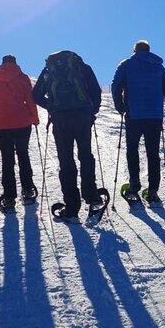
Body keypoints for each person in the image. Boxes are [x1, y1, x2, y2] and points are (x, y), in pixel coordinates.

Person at [32, 50, 104, 219]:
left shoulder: (49, 70)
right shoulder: (82, 67)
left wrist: (52, 107)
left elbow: (36, 95)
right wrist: (91, 111)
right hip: (82, 117)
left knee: (66, 160)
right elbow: (96, 91)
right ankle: (92, 198)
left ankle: (71, 207)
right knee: (85, 156)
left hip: (60, 119)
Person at [111, 40, 165, 205]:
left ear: (135, 51)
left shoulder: (126, 65)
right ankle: (153, 191)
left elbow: (115, 86)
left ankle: (134, 185)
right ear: (149, 50)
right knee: (153, 153)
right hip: (154, 116)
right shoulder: (158, 67)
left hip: (134, 115)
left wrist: (120, 106)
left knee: (132, 149)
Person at [0, 54, 39, 209]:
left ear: (2, 63)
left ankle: (9, 197)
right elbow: (30, 100)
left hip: (1, 125)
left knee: (7, 159)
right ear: (15, 63)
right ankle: (28, 190)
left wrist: (2, 106)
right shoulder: (23, 78)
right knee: (23, 155)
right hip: (22, 123)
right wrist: (34, 119)